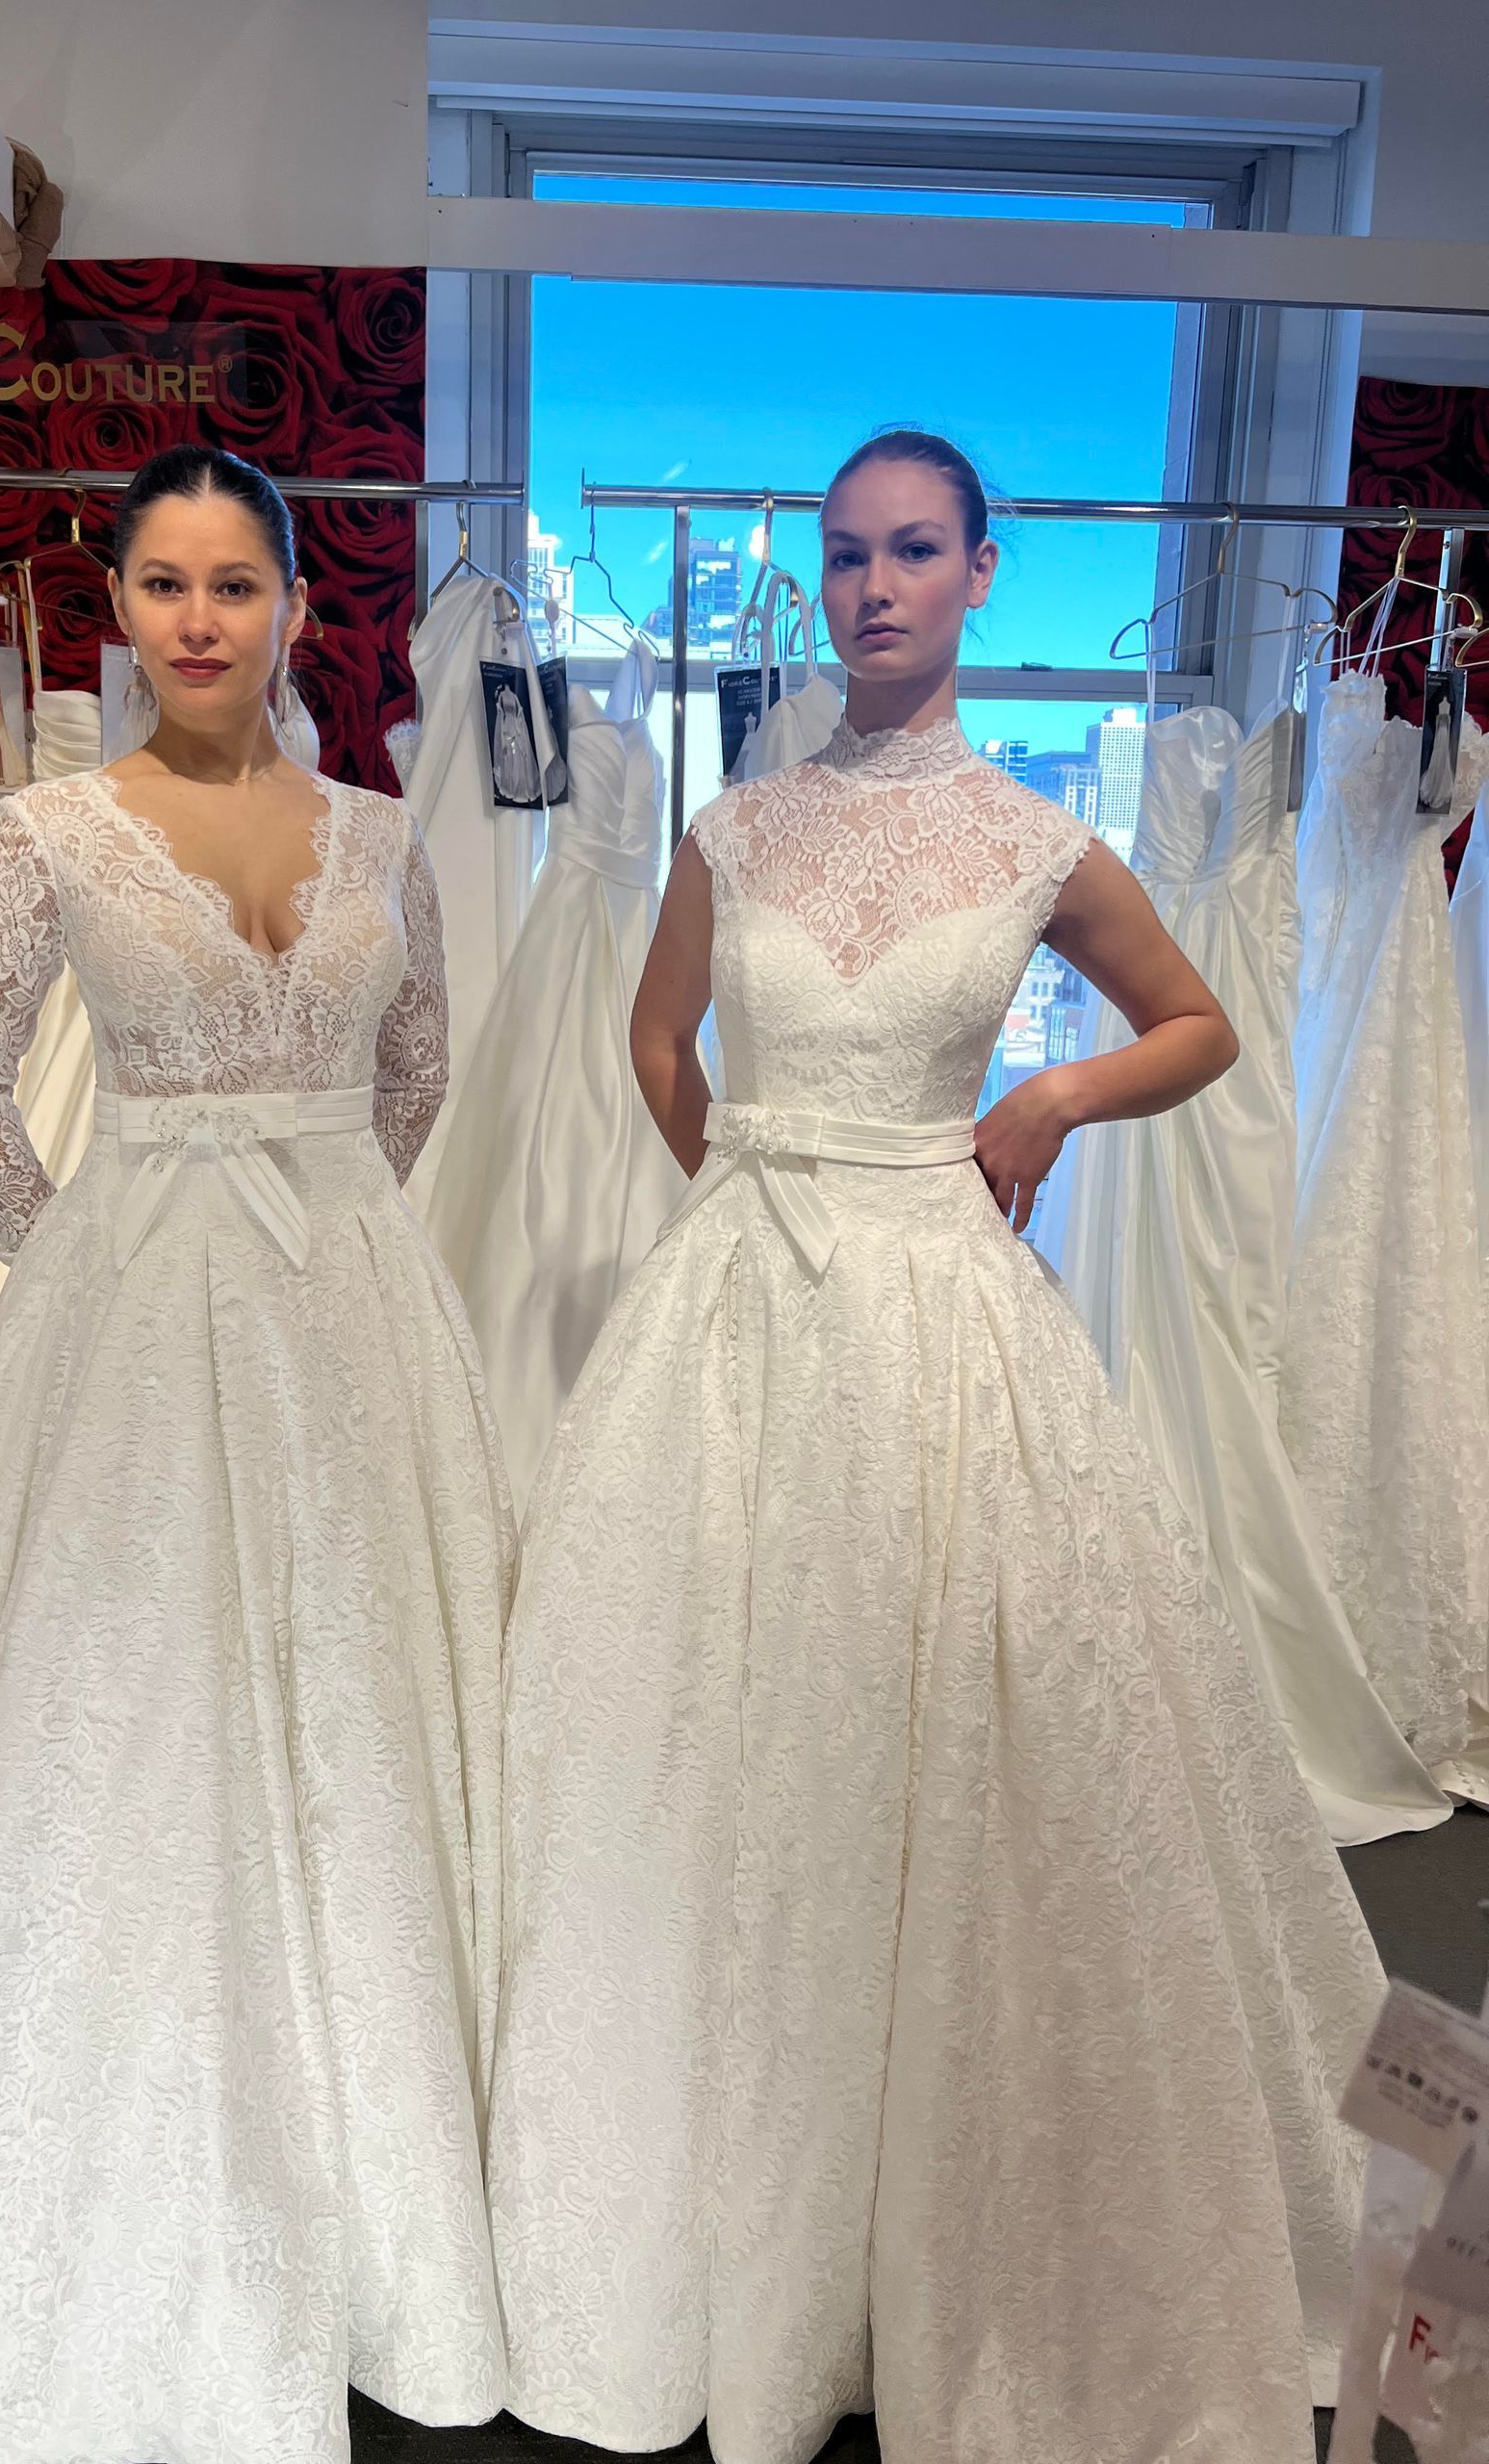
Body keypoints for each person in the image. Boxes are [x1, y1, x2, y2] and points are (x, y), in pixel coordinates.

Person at [486, 428, 1384, 2464]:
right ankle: (713, 2197)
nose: (875, 586)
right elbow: (655, 1035)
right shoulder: (740, 826)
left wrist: (1054, 1101)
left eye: (914, 553)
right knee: (711, 1732)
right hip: (739, 1309)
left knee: (949, 1737)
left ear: (985, 572)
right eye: (847, 557)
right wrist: (731, 1177)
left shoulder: (1028, 844)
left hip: (939, 1309)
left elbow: (1200, 1020)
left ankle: (935, 2207)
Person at [0, 445, 514, 2464]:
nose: (200, 617)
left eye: (235, 580)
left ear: (297, 609)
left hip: (343, 1301)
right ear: (120, 610)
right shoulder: (50, 825)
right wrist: (83, 1245)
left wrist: (324, 1209)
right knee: (128, 1703)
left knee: (368, 1690)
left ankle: (390, 2126)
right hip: (134, 1293)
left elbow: (415, 1065)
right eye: (163, 581)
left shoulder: (382, 829)